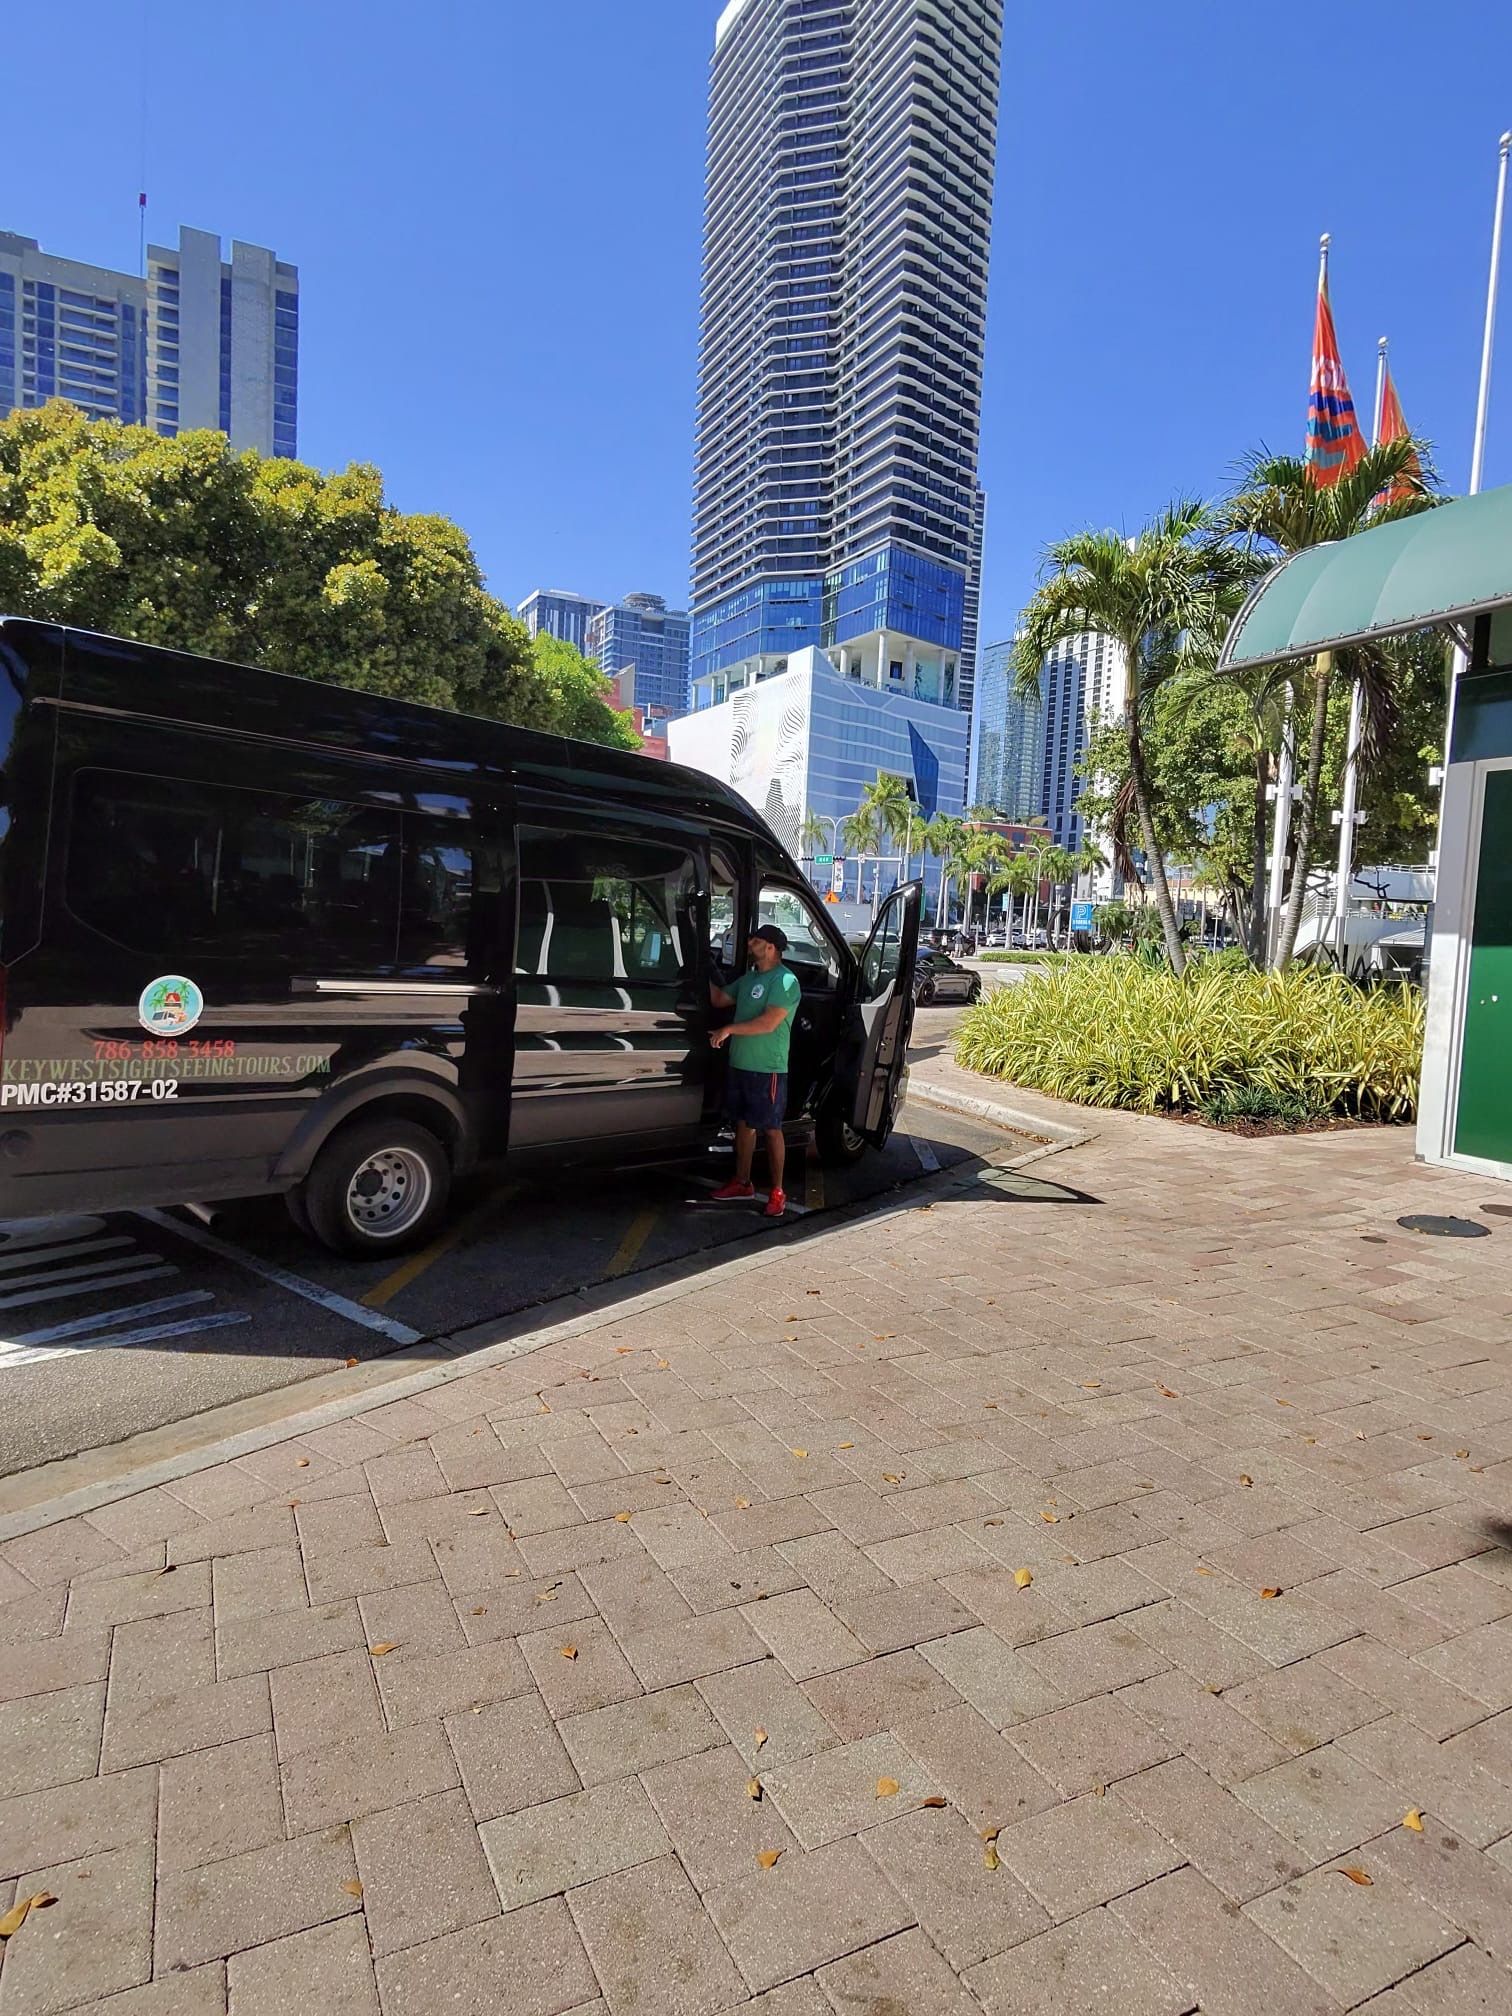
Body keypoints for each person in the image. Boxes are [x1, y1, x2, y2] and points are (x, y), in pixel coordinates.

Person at [708, 922, 801, 1217]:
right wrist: (699, 965)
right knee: (744, 1127)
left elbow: (768, 1023)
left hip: (768, 1068)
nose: (750, 944)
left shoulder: (785, 981)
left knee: (771, 1129)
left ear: (771, 947)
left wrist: (729, 1029)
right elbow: (719, 998)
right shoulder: (749, 979)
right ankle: (742, 1182)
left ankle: (777, 1191)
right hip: (740, 1064)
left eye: (755, 940)